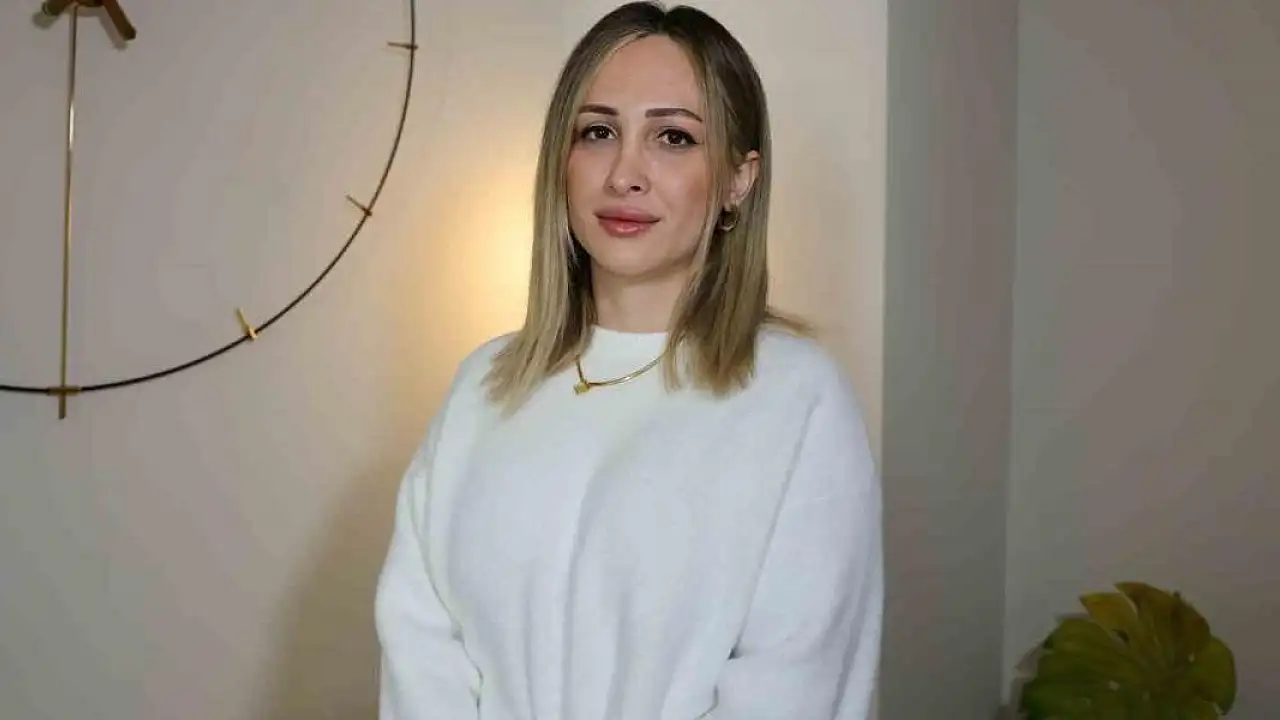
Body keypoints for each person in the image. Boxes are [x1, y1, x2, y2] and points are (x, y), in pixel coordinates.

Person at [373, 2, 883, 718]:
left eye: (673, 137)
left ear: (738, 180)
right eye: (598, 132)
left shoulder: (796, 398)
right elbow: (420, 644)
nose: (624, 174)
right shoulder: (483, 386)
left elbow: (790, 683)